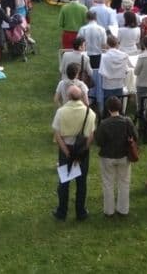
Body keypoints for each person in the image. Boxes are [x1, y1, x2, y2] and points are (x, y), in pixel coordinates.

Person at [51, 85, 97, 221]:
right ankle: (81, 211)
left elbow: (57, 135)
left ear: (69, 96)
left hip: (66, 149)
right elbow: (91, 136)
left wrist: (67, 152)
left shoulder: (61, 112)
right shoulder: (90, 113)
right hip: (82, 150)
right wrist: (81, 153)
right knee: (81, 182)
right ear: (82, 96)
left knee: (64, 181)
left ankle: (62, 211)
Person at [95, 96, 138, 217]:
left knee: (108, 184)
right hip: (124, 156)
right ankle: (123, 210)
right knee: (124, 182)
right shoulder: (127, 121)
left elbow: (99, 141)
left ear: (108, 109)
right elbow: (136, 137)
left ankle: (109, 211)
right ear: (120, 107)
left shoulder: (104, 124)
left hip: (107, 157)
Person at [99, 36, 130, 113]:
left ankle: (106, 119)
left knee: (107, 106)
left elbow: (102, 72)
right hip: (119, 84)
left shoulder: (104, 56)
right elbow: (126, 70)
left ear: (107, 44)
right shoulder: (124, 55)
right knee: (117, 105)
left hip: (108, 85)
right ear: (117, 44)